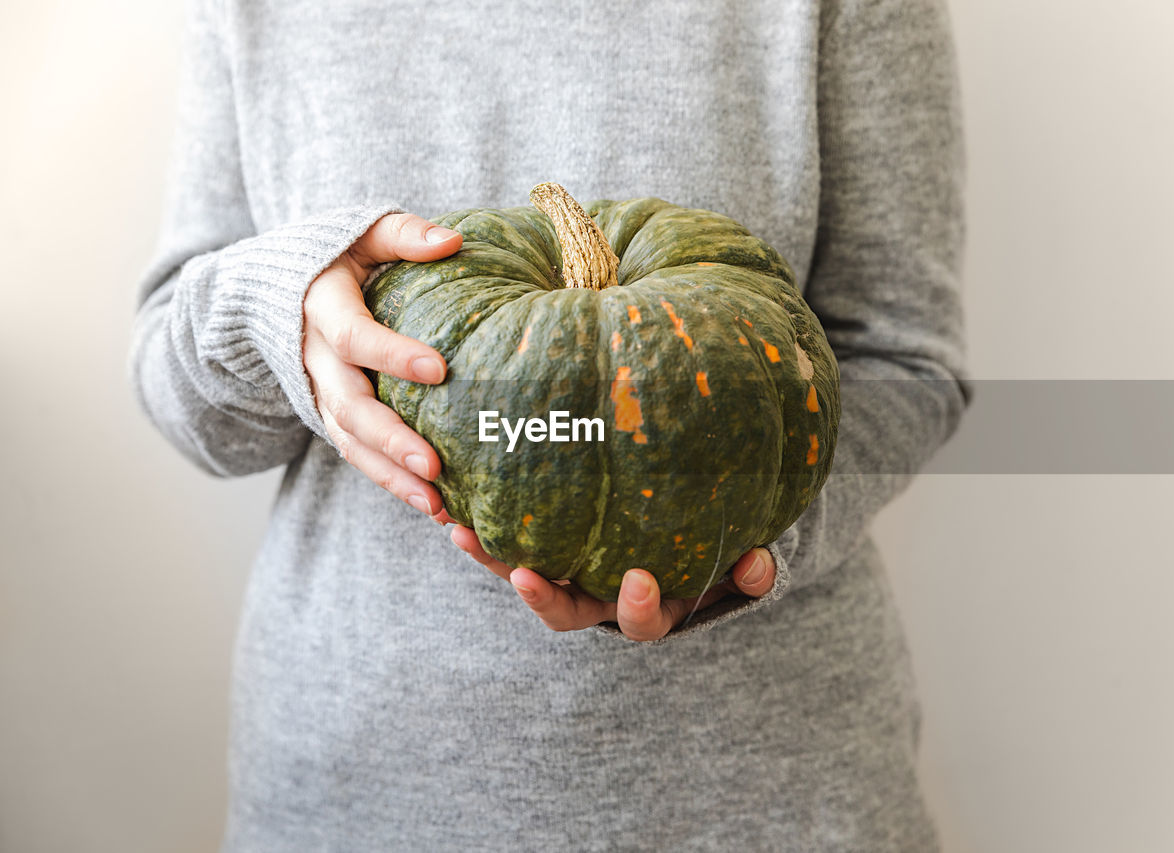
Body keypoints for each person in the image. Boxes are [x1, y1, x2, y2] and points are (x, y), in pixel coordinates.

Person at [130, 0, 970, 849]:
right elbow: (192, 415)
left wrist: (734, 539)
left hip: (754, 796)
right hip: (366, 789)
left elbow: (903, 359)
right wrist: (272, 307)